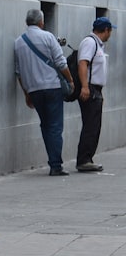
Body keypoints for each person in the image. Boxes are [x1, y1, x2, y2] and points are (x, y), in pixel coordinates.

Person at [14, 9, 76, 176]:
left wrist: (26, 93)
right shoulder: (48, 37)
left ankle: (53, 161)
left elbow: (18, 72)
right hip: (52, 87)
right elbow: (61, 62)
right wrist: (70, 80)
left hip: (34, 90)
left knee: (46, 125)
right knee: (55, 127)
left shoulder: (19, 42)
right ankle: (55, 165)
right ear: (41, 22)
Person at [75, 16, 116, 173]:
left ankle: (87, 158)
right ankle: (84, 160)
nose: (110, 34)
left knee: (94, 125)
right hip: (90, 89)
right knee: (91, 125)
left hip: (95, 89)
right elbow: (83, 63)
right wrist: (85, 87)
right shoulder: (90, 42)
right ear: (106, 30)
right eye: (110, 31)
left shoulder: (97, 45)